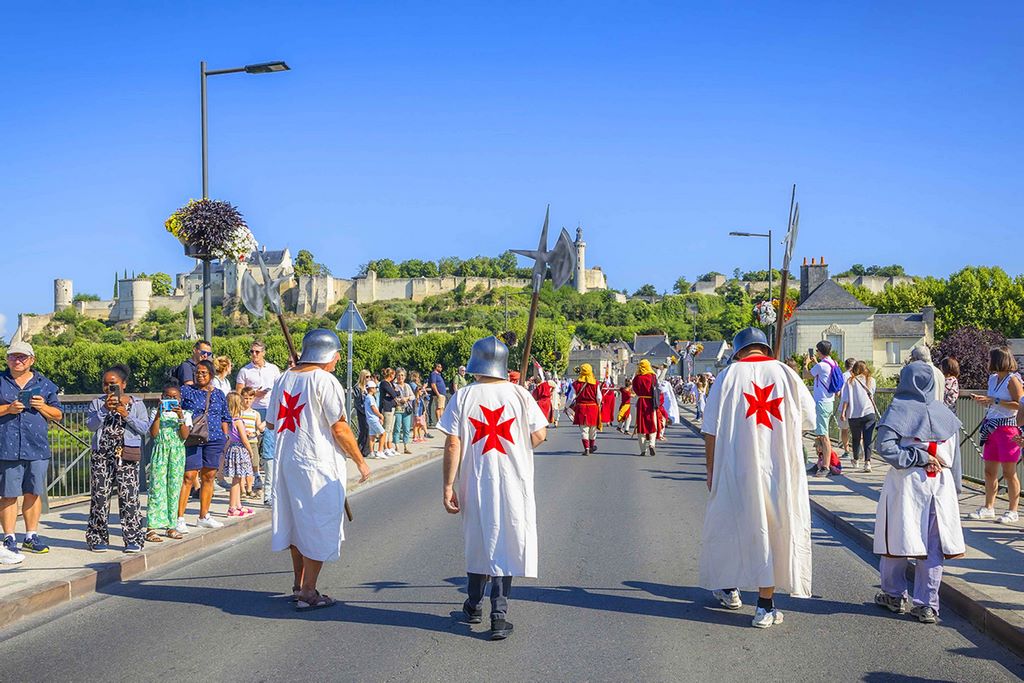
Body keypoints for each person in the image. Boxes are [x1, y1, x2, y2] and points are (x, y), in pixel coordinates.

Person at [701, 328, 815, 629]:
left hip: (735, 466)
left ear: (739, 351)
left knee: (730, 526)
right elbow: (809, 419)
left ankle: (729, 587)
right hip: (779, 469)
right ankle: (765, 605)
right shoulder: (787, 374)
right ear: (764, 348)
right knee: (774, 529)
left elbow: (710, 429)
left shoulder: (727, 377)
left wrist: (711, 469)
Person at [439, 336, 547, 640]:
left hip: (475, 480)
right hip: (513, 479)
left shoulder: (462, 396)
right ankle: (499, 615)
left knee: (478, 540)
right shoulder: (520, 395)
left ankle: (473, 604)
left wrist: (449, 485)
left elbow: (452, 443)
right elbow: (539, 435)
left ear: (476, 364)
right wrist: (516, 442)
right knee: (507, 539)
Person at [269, 329, 371, 611]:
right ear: (329, 355)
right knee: (317, 524)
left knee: (296, 523)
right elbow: (339, 426)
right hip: (317, 463)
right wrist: (360, 460)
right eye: (337, 355)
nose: (338, 360)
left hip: (287, 461)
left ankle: (298, 584)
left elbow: (270, 424)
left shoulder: (283, 379)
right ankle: (309, 592)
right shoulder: (324, 380)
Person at [872, 362, 965, 624]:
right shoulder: (945, 414)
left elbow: (886, 448)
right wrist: (954, 492)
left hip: (907, 483)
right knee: (932, 546)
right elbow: (956, 460)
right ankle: (927, 604)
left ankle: (893, 594)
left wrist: (916, 456)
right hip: (941, 485)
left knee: (897, 541)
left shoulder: (897, 410)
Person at [0, 341, 63, 564]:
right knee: (8, 494)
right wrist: (8, 409)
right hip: (7, 446)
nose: (17, 361)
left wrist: (41, 406)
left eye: (22, 357)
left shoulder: (45, 384)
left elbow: (57, 414)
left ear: (32, 360)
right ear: (7, 359)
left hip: (36, 447)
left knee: (33, 492)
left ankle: (30, 536)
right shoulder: (0, 381)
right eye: (13, 357)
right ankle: (9, 538)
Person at [86, 364, 150, 553]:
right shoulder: (97, 403)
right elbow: (91, 426)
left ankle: (133, 539)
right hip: (101, 456)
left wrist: (127, 415)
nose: (108, 388)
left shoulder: (137, 404)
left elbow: (144, 429)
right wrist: (104, 410)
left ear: (123, 384)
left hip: (126, 456)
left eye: (112, 384)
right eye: (105, 384)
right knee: (99, 498)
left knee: (129, 497)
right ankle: (97, 538)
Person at [176, 359, 232, 533]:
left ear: (211, 375)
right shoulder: (186, 391)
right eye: (197, 373)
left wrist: (225, 437)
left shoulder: (219, 394)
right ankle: (179, 518)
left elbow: (225, 416)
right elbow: (175, 406)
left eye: (203, 373)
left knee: (208, 477)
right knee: (189, 476)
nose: (199, 376)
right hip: (194, 437)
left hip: (215, 438)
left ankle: (204, 516)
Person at [968, 346, 1022, 524]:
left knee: (1009, 472)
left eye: (990, 359)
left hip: (1008, 429)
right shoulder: (992, 379)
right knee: (989, 471)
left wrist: (995, 400)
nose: (987, 362)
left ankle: (1013, 510)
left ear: (999, 360)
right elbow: (995, 403)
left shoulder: (1013, 380)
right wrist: (985, 402)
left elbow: (1019, 404)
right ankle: (988, 507)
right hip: (992, 427)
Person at [146, 381, 190, 541]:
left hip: (177, 454)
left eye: (174, 397)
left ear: (180, 399)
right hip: (160, 451)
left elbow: (185, 436)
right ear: (162, 397)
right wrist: (158, 414)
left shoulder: (185, 414)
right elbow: (153, 433)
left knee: (174, 489)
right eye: (168, 397)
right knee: (157, 488)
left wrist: (180, 417)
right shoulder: (155, 413)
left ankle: (171, 526)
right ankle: (151, 527)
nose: (171, 400)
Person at [803, 340, 841, 477]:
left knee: (824, 436)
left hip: (821, 403)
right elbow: (822, 375)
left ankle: (825, 466)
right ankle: (821, 462)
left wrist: (806, 364)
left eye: (817, 351)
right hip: (828, 401)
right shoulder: (832, 363)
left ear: (820, 351)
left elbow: (806, 375)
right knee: (820, 434)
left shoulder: (821, 366)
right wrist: (815, 363)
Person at [840, 361, 878, 472]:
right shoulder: (871, 380)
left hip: (854, 414)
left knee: (856, 438)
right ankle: (868, 463)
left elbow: (845, 399)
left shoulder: (850, 381)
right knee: (868, 438)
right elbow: (872, 394)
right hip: (869, 412)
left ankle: (856, 460)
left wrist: (843, 413)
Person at [222, 392, 256, 518]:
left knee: (238, 477)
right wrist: (250, 451)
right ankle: (232, 507)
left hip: (232, 448)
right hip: (240, 450)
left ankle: (238, 504)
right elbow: (244, 439)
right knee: (237, 479)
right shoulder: (238, 421)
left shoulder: (228, 421)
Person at [234, 340, 282, 421]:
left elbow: (279, 387)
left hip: (271, 407)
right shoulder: (244, 370)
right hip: (252, 409)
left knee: (269, 433)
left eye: (257, 352)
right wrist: (254, 393)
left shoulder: (273, 368)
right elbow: (239, 392)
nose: (254, 354)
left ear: (263, 353)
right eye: (252, 351)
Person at [570, 364, 602, 456]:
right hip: (593, 407)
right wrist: (598, 405)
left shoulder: (576, 384)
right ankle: (592, 446)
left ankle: (586, 448)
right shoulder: (596, 383)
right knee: (593, 429)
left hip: (581, 407)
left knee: (584, 430)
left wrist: (567, 407)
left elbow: (571, 397)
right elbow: (599, 397)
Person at [239, 387, 264, 499]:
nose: (247, 401)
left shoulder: (255, 413)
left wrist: (256, 432)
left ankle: (250, 487)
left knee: (254, 464)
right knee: (242, 466)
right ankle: (243, 489)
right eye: (245, 398)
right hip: (241, 443)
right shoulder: (239, 412)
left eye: (250, 398)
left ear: (253, 399)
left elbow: (259, 428)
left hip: (253, 441)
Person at [632, 360, 660, 456]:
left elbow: (635, 389)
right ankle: (652, 444)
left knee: (641, 426)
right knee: (653, 423)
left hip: (641, 402)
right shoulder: (653, 377)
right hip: (651, 402)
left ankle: (643, 450)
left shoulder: (637, 378)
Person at [392, 369, 414, 455]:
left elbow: (413, 396)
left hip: (406, 409)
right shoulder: (394, 386)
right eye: (398, 375)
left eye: (402, 375)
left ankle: (406, 446)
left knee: (406, 428)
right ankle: (396, 446)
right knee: (397, 428)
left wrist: (407, 398)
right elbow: (392, 397)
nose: (400, 377)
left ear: (404, 377)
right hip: (398, 408)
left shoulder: (407, 386)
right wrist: (399, 400)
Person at [378, 368, 399, 457]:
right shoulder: (384, 383)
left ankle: (390, 447)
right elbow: (393, 393)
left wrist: (395, 392)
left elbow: (396, 392)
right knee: (386, 428)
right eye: (393, 374)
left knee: (390, 429)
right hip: (386, 407)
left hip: (392, 407)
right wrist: (395, 393)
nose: (394, 377)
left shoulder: (391, 383)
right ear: (391, 375)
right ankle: (384, 448)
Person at [837, 358, 855, 456]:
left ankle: (847, 450)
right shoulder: (857, 376)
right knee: (858, 430)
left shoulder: (843, 376)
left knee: (844, 429)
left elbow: (840, 393)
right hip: (856, 406)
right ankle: (858, 450)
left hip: (844, 406)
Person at [364, 381, 386, 458]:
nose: (376, 389)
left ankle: (372, 452)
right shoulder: (370, 397)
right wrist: (380, 415)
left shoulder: (367, 397)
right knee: (383, 433)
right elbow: (373, 408)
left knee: (372, 436)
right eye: (375, 388)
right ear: (371, 388)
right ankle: (380, 451)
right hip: (373, 419)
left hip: (370, 419)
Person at [354, 370, 372, 456]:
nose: (368, 379)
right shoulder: (358, 387)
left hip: (369, 411)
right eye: (367, 377)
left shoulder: (368, 387)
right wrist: (364, 411)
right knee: (363, 430)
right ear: (362, 377)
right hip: (362, 412)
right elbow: (357, 402)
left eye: (369, 377)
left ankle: (366, 450)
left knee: (368, 430)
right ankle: (359, 449)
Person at [429, 363, 447, 427]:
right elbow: (433, 384)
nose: (441, 368)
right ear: (436, 367)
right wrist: (437, 394)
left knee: (442, 408)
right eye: (440, 367)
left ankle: (442, 422)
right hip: (438, 394)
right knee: (438, 408)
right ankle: (438, 422)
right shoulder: (433, 374)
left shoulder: (439, 375)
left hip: (442, 394)